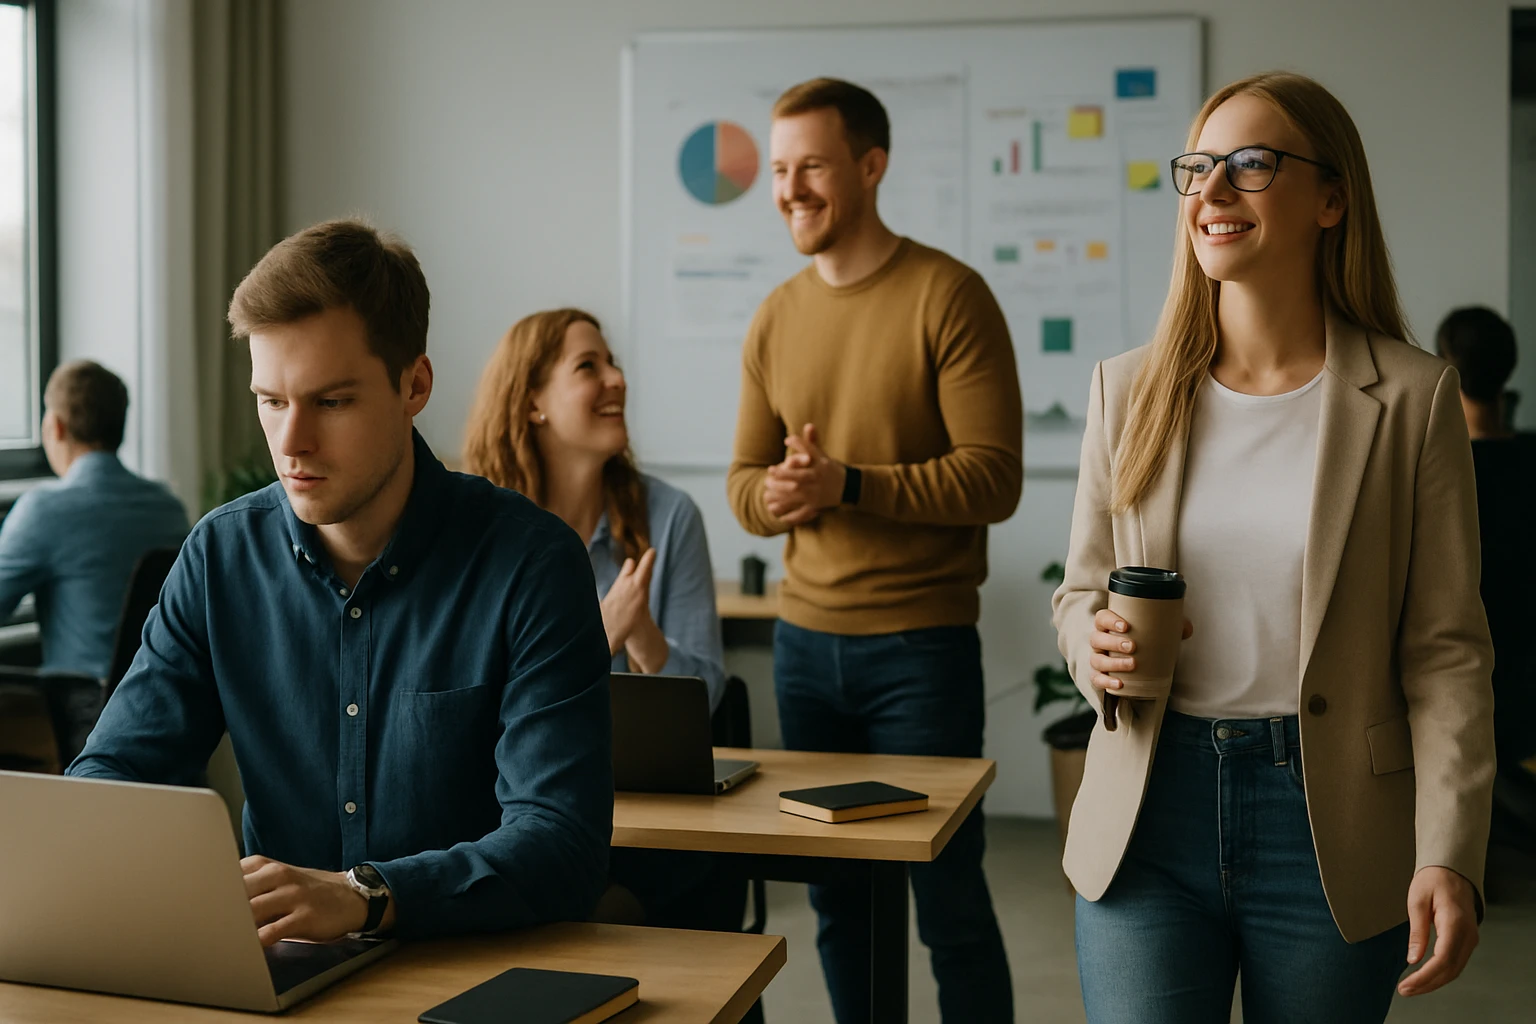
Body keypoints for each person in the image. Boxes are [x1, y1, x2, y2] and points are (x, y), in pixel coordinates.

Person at [1052, 72, 1494, 1024]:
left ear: (1332, 199)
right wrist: (1090, 640)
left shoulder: (1414, 401)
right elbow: (1080, 591)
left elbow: (1446, 651)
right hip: (1149, 809)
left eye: (1252, 164)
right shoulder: (1125, 391)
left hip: (1328, 818)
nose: (1212, 191)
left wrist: (1448, 846)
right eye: (1198, 167)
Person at [68, 220, 614, 943]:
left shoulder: (531, 563)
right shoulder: (219, 558)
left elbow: (562, 844)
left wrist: (369, 896)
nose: (291, 443)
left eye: (331, 402)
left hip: (472, 969)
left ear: (414, 384)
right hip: (278, 967)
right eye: (271, 401)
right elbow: (116, 769)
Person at [727, 77, 1020, 1023]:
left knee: (949, 904)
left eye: (810, 165)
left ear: (870, 165)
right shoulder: (774, 314)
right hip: (805, 652)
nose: (789, 188)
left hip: (920, 652)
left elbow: (993, 479)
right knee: (837, 903)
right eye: (778, 169)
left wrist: (850, 483)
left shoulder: (949, 295)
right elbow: (742, 487)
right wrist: (776, 496)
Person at [462, 307, 745, 934]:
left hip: (648, 820)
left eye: (612, 362)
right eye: (588, 366)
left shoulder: (671, 518)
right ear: (532, 401)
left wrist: (640, 633)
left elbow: (709, 693)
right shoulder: (478, 527)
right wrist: (595, 637)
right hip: (510, 802)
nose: (616, 378)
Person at [0, 359, 189, 679]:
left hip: (88, 717)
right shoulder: (169, 508)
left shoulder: (44, 510)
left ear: (55, 427)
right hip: (162, 704)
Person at [1435, 307, 1536, 846]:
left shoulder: (1443, 477)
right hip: (1525, 677)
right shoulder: (1528, 462)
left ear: (1446, 367)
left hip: (1464, 680)